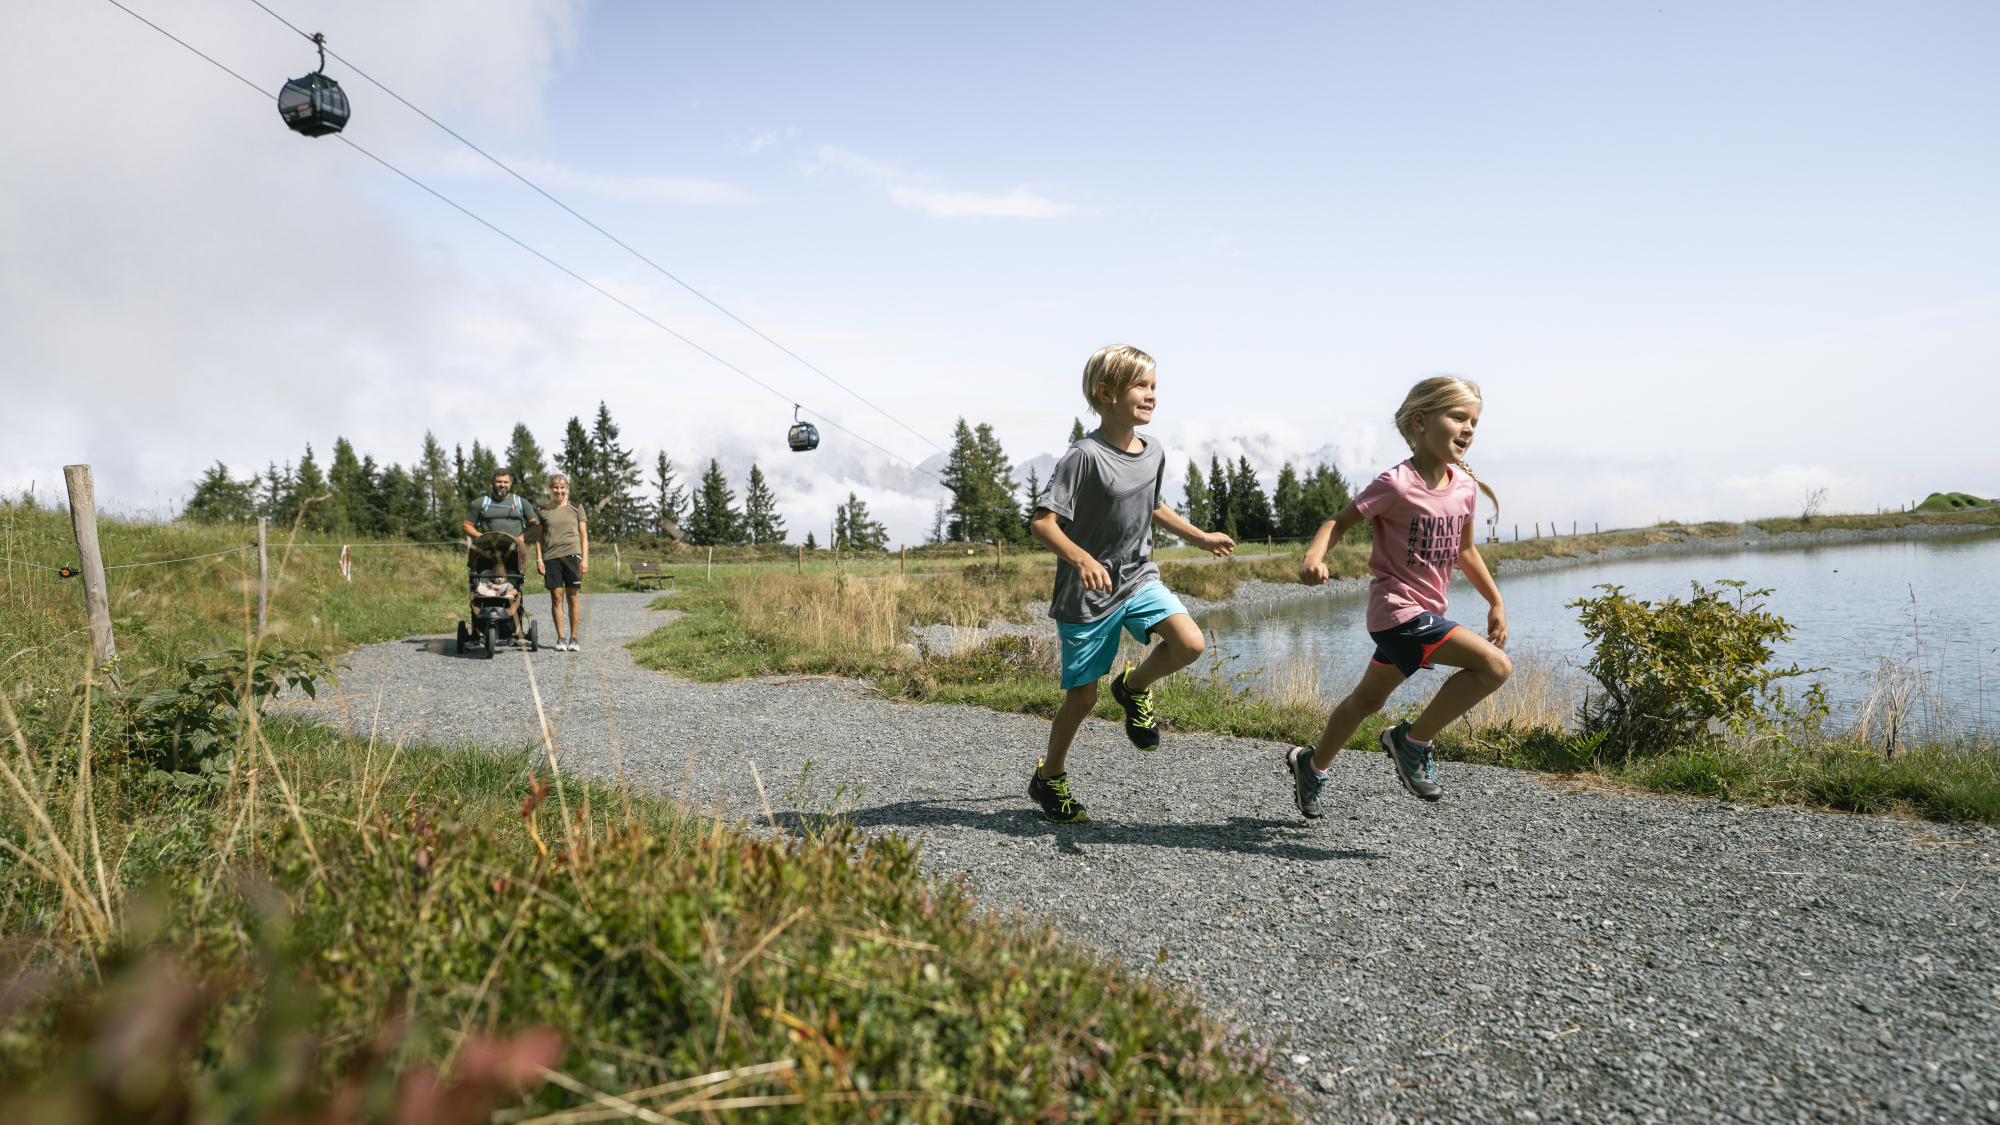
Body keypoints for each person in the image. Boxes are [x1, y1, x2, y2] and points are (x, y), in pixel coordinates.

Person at [1026, 344, 1236, 823]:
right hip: (1088, 594)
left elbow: (1153, 506)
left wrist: (1199, 537)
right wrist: (1081, 559)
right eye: (1141, 386)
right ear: (1105, 393)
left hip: (1139, 576)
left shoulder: (1154, 449)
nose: (1151, 396)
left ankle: (1135, 686)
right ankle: (1050, 777)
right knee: (1082, 698)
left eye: (1154, 387)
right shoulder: (1083, 456)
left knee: (1189, 642)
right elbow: (1043, 523)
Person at [1283, 376, 1510, 818]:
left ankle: (1310, 767)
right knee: (1494, 666)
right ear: (1421, 422)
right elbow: (1338, 522)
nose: (1468, 429)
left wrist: (1495, 600)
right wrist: (1314, 556)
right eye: (1458, 417)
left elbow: (1465, 551)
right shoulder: (1397, 483)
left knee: (1366, 702)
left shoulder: (1463, 488)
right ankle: (1411, 741)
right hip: (1396, 613)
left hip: (1423, 615)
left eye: (1475, 422)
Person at [535, 474, 589, 652]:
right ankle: (561, 638)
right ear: (550, 489)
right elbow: (539, 538)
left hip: (573, 556)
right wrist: (539, 559)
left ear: (567, 489)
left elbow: (583, 536)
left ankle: (574, 638)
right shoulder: (543, 511)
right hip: (551, 557)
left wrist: (585, 559)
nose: (559, 491)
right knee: (556, 597)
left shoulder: (576, 508)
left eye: (562, 487)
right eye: (555, 487)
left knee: (573, 597)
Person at [462, 469, 541, 578]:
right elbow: (466, 526)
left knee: (514, 582)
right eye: (499, 481)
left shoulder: (521, 503)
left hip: (515, 551)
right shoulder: (481, 503)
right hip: (488, 552)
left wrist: (521, 538)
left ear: (511, 483)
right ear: (491, 482)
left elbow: (536, 526)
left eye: (506, 482)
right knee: (485, 581)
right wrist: (482, 538)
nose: (502, 485)